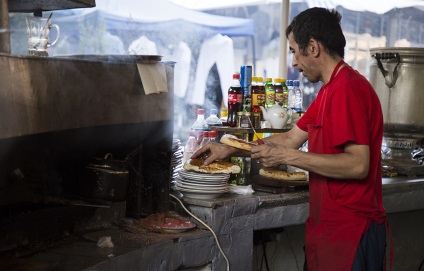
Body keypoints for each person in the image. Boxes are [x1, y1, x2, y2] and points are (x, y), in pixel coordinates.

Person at [192, 7, 387, 271]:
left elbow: (357, 164)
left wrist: (289, 157)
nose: (294, 62)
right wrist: (230, 150)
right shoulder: (330, 90)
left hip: (352, 233)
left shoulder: (348, 90)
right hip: (328, 229)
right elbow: (289, 140)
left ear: (313, 47)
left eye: (295, 51)